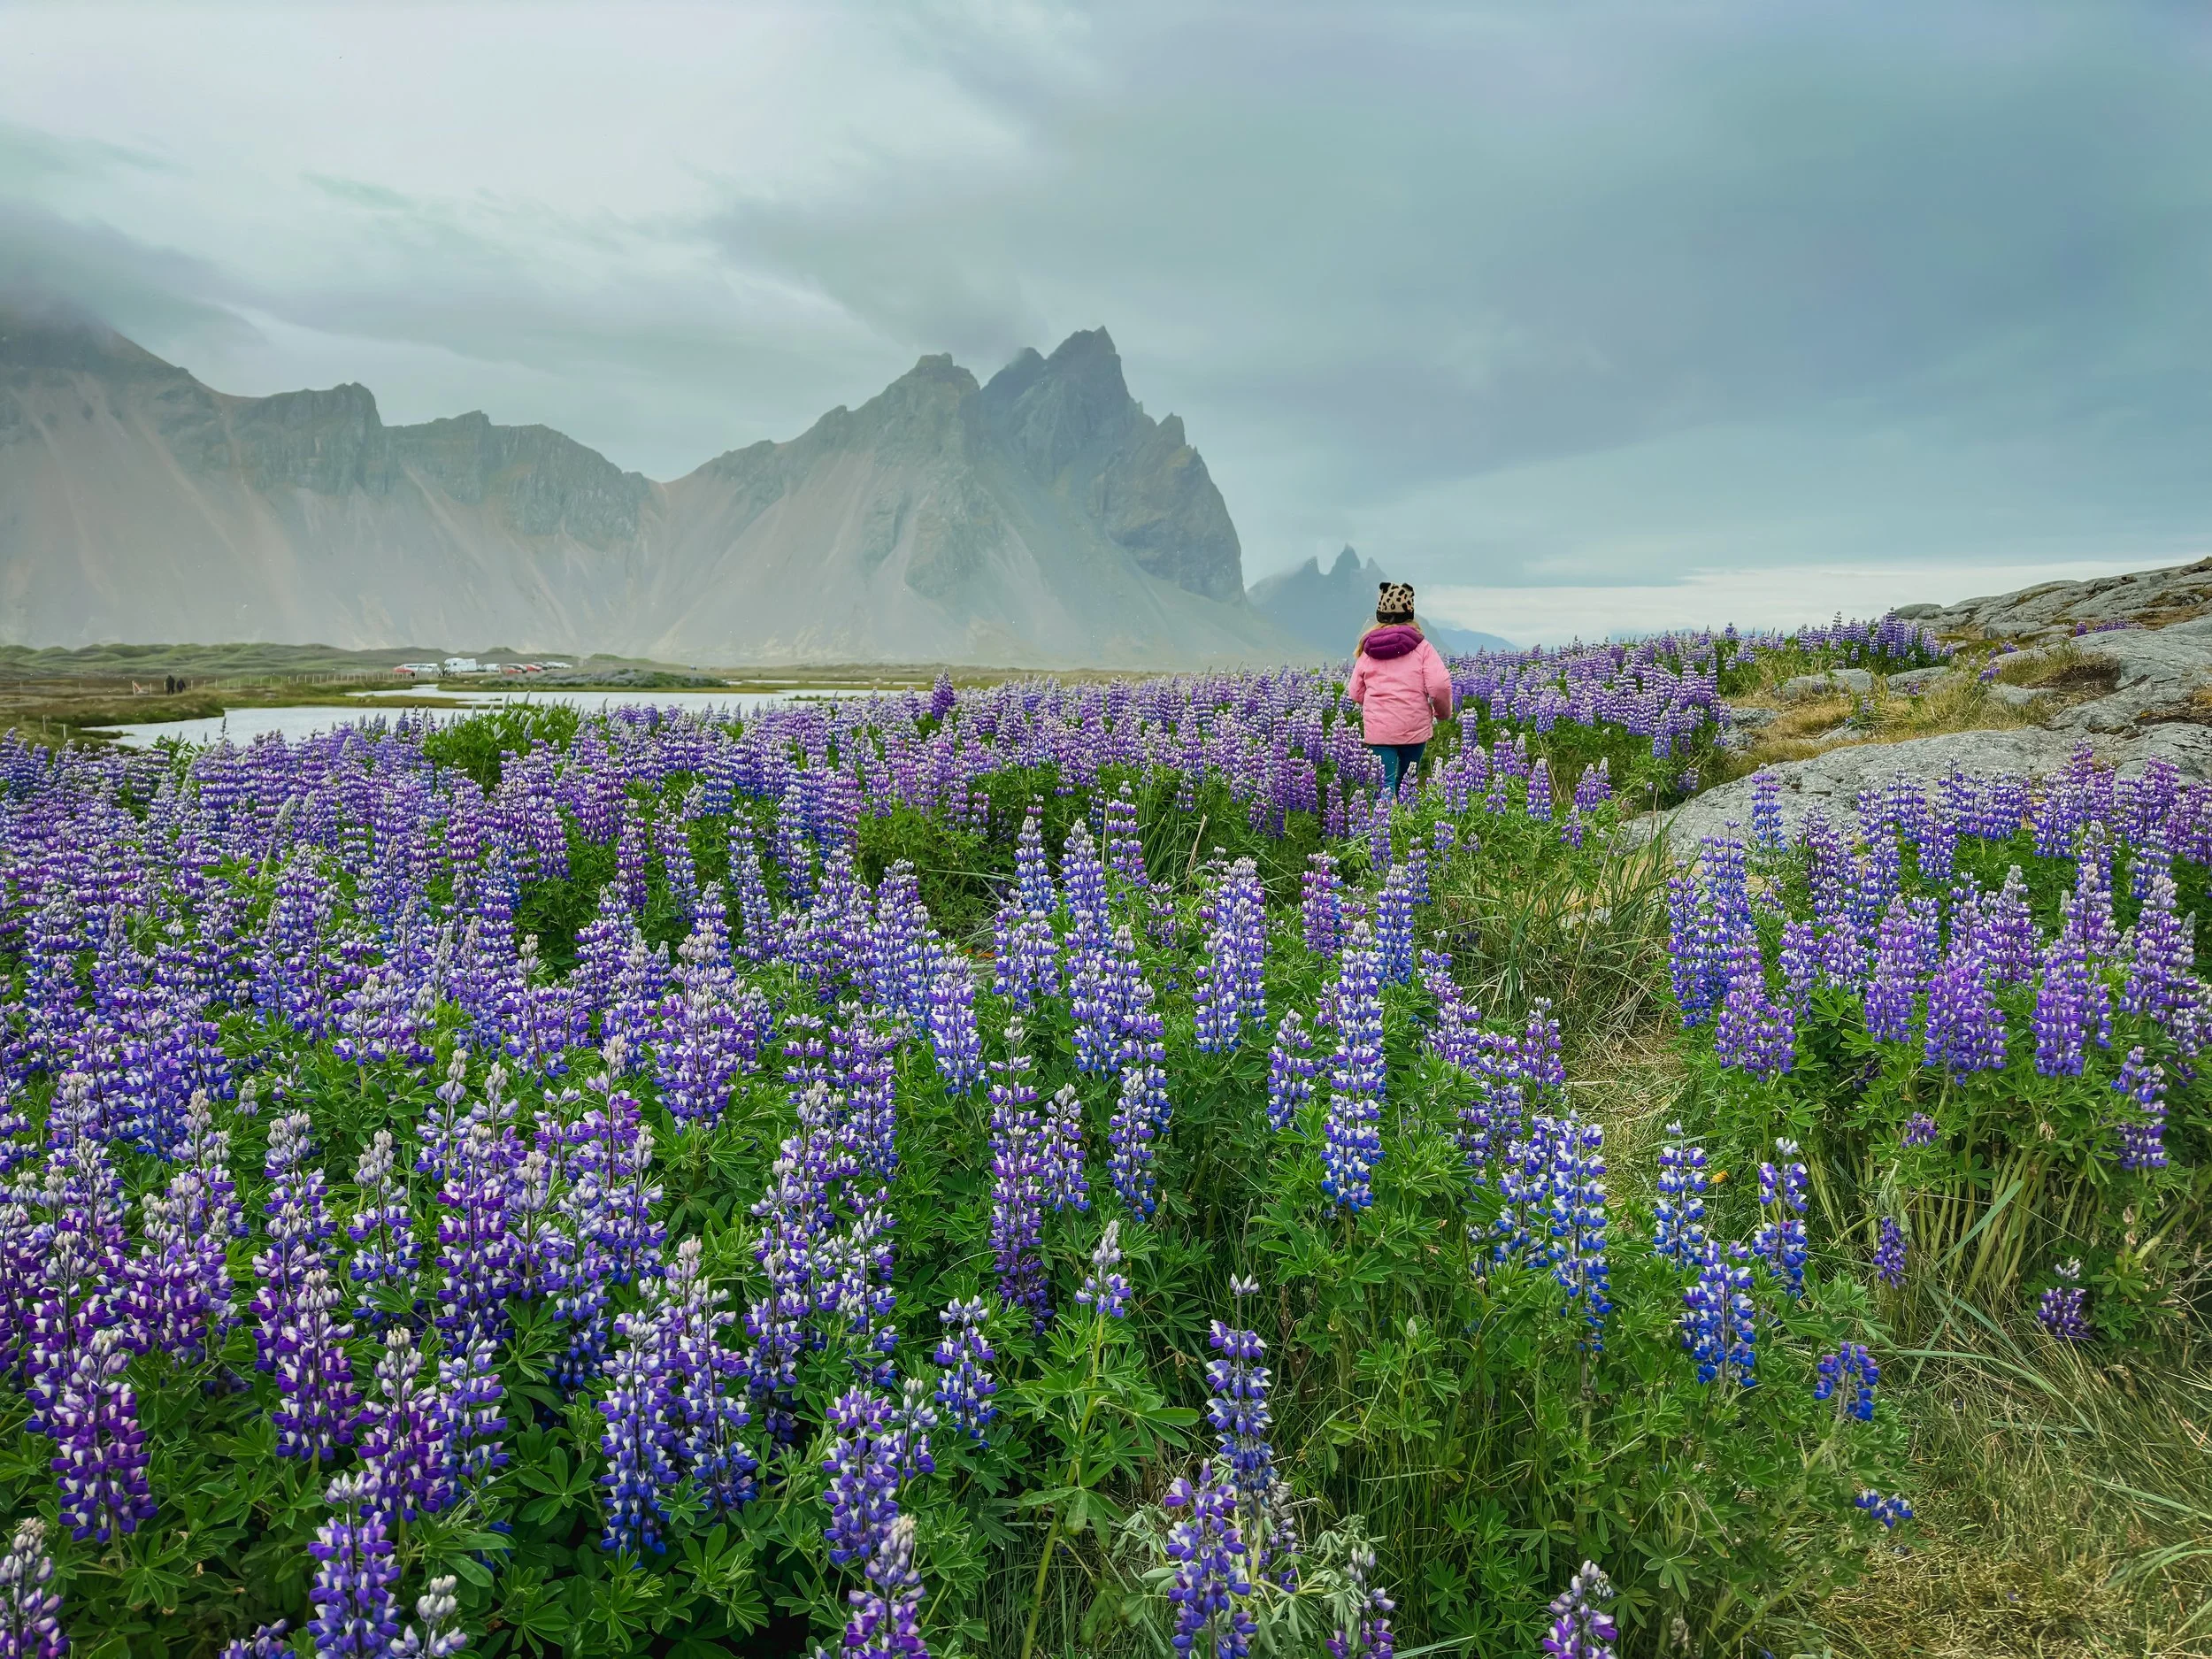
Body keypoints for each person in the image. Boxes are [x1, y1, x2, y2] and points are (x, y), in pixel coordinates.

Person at [1346, 580, 1455, 797]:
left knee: (1385, 783)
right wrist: (1442, 713)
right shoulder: (1422, 647)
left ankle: (1382, 828)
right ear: (1410, 614)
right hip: (1414, 729)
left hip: (1380, 731)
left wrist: (1377, 705)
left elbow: (1355, 692)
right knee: (1408, 781)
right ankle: (1407, 825)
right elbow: (1440, 685)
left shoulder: (1368, 649)